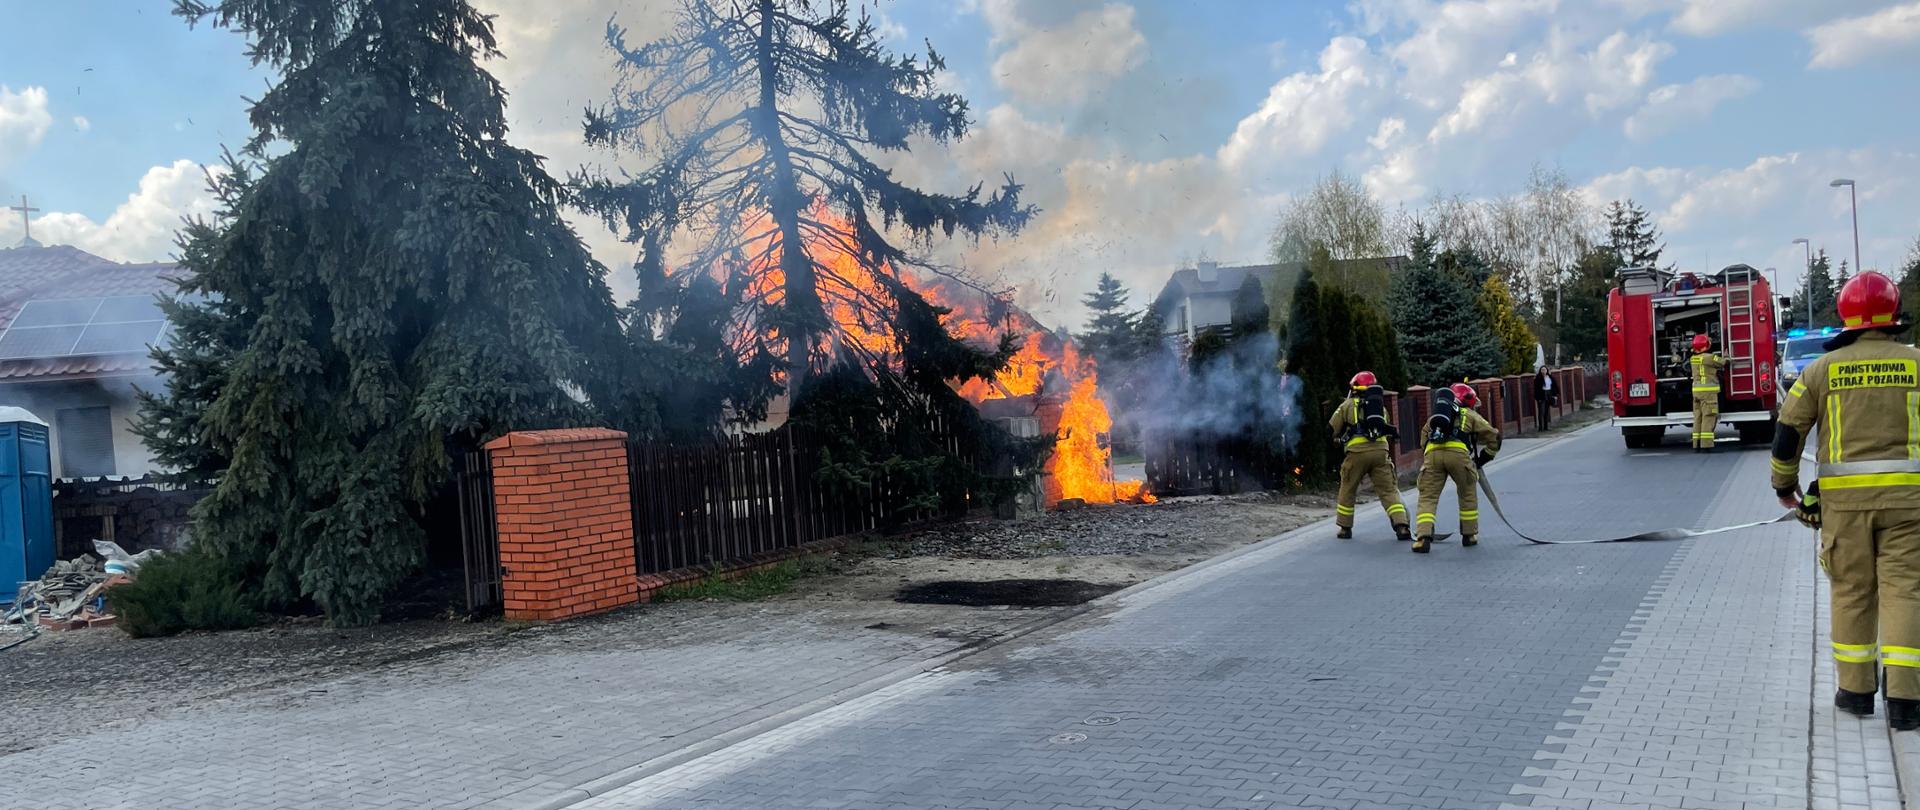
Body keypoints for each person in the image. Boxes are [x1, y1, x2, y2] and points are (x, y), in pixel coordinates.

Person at [1772, 271, 1920, 730]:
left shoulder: (1820, 370)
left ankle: (1855, 694)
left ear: (1846, 316)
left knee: (1852, 592)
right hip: (1910, 505)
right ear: (1893, 314)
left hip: (1844, 509)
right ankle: (1906, 703)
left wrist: (1786, 487)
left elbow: (1788, 431)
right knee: (1905, 592)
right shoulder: (1916, 363)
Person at [1412, 383, 1501, 554]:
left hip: (1433, 455)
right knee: (1467, 492)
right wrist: (1483, 458)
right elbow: (1494, 436)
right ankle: (1469, 535)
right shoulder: (1469, 415)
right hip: (1459, 455)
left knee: (1428, 497)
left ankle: (1423, 537)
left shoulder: (1434, 419)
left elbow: (1424, 440)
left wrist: (1431, 456)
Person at [1329, 371, 1411, 541]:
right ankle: (1401, 525)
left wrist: (1337, 438)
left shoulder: (1347, 405)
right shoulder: (1380, 408)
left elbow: (1332, 427)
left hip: (1357, 454)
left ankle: (1345, 528)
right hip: (1381, 452)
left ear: (1355, 388)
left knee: (1348, 488)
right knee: (1388, 491)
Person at [1689, 334, 1726, 452]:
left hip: (1696, 393)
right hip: (1708, 394)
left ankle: (1696, 444)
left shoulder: (1693, 359)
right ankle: (1706, 445)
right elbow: (1723, 362)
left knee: (1698, 418)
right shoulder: (1710, 358)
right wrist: (1726, 356)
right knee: (1708, 417)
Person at [1532, 366, 1554, 431]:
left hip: (1548, 394)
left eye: (1545, 369)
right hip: (1541, 395)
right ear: (1540, 371)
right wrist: (1538, 398)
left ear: (1547, 370)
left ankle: (1546, 427)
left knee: (1546, 411)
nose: (1544, 371)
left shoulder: (1549, 377)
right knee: (1541, 411)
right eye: (1542, 370)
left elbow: (1552, 386)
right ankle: (1540, 427)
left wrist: (1553, 394)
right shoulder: (1538, 378)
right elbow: (1536, 389)